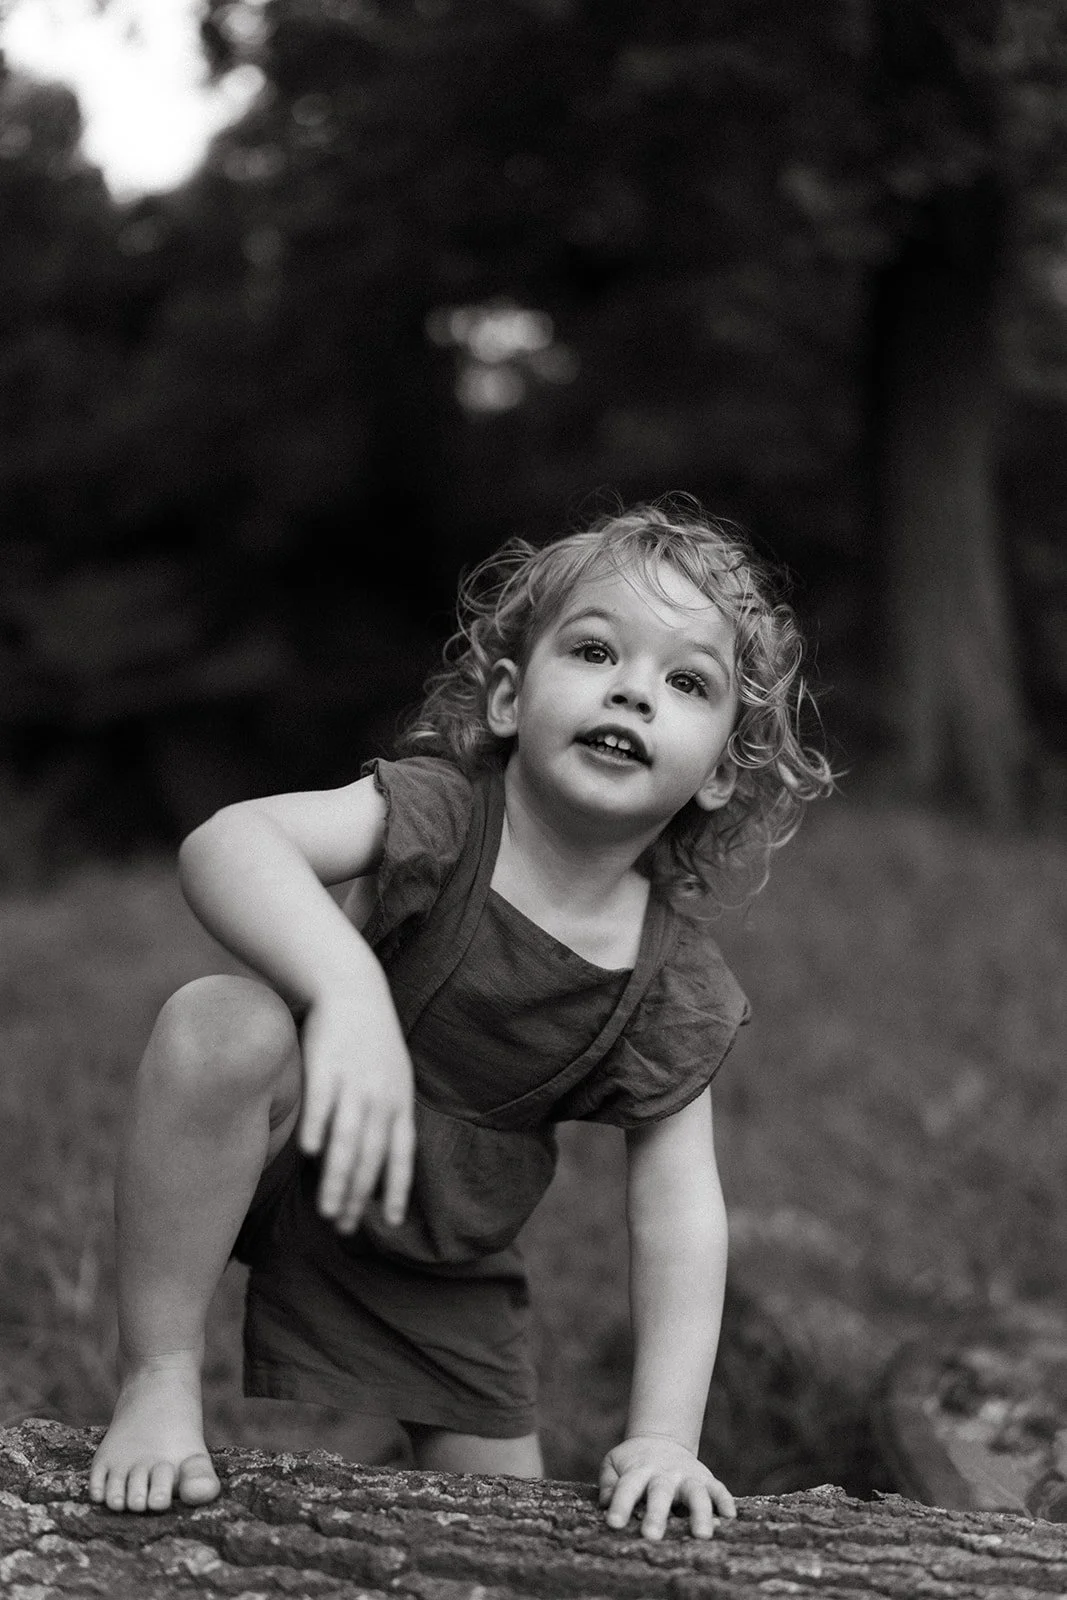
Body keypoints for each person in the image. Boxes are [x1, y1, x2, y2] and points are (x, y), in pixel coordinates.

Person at [89, 500, 832, 1539]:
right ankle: (158, 1378)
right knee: (222, 1021)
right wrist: (347, 991)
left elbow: (678, 1214)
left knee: (505, 1529)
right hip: (286, 1148)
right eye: (594, 650)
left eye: (686, 682)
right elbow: (227, 843)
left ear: (717, 772)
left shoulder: (670, 984)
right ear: (508, 698)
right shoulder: (441, 815)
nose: (632, 688)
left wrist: (666, 1435)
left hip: (441, 1259)